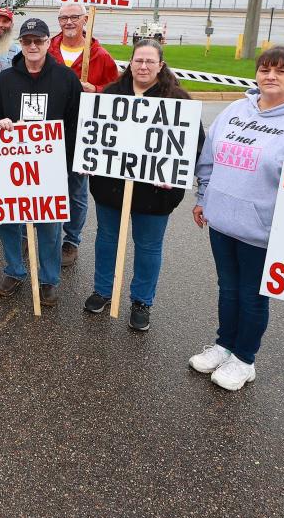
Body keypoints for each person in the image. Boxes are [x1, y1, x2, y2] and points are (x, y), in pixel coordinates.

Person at [188, 46, 284, 391]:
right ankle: (224, 345)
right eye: (266, 70)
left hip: (264, 230)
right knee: (228, 288)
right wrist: (203, 198)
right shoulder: (235, 110)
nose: (271, 77)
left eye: (281, 72)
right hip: (222, 221)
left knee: (252, 295)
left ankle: (244, 359)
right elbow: (209, 159)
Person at [83, 39, 204, 332]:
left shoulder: (178, 100)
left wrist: (174, 169)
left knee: (149, 247)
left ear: (160, 66)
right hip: (111, 188)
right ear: (130, 63)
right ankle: (103, 290)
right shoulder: (111, 94)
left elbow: (195, 143)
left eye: (150, 61)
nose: (144, 66)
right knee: (107, 239)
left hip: (155, 194)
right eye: (139, 60)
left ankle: (141, 301)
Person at [0, 18, 81, 306]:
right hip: (11, 166)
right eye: (27, 41)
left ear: (48, 42)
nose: (32, 46)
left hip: (51, 168)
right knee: (7, 220)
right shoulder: (6, 79)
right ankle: (14, 270)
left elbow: (77, 123)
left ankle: (49, 280)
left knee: (50, 226)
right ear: (21, 43)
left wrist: (71, 163)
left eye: (38, 41)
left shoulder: (65, 78)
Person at [48, 2, 119, 268]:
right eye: (63, 17)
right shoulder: (48, 50)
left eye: (74, 17)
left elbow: (117, 93)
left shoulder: (100, 56)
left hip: (81, 133)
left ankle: (71, 240)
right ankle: (44, 235)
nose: (68, 22)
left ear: (85, 19)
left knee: (76, 190)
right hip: (49, 131)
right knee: (45, 184)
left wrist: (97, 90)